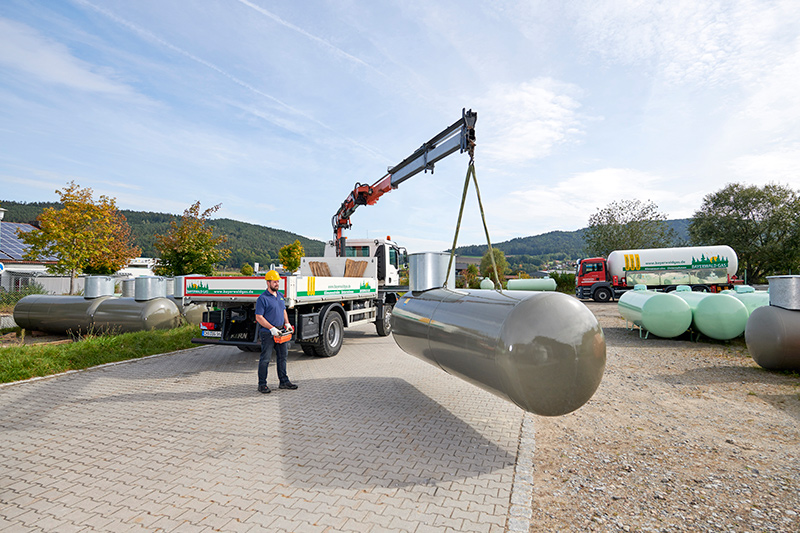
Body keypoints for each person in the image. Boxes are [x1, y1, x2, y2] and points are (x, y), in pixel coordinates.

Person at [255, 270, 297, 393]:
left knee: (283, 357)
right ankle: (262, 384)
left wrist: (287, 323)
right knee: (265, 359)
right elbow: (259, 317)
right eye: (274, 282)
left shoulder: (280, 296)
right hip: (268, 333)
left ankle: (284, 381)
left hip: (281, 332)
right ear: (268, 283)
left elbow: (283, 310)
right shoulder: (262, 299)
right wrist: (271, 328)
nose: (277, 284)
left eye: (278, 281)